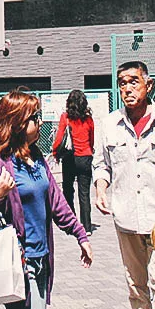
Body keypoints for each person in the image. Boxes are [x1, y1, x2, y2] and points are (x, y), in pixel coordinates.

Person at [0, 89, 92, 309]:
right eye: (34, 117)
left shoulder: (36, 157)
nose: (40, 122)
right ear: (17, 123)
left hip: (42, 257)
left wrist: (81, 235)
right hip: (18, 261)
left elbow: (57, 201)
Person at [93, 62, 155, 309]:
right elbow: (101, 164)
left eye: (134, 81)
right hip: (126, 219)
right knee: (136, 287)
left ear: (149, 84)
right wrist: (101, 189)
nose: (127, 88)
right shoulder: (110, 124)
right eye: (122, 83)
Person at [52, 89, 95, 231]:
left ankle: (72, 222)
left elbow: (59, 139)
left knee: (68, 189)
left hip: (70, 157)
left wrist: (55, 152)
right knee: (84, 193)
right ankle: (87, 227)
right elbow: (91, 139)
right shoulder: (88, 119)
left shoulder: (65, 117)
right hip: (85, 157)